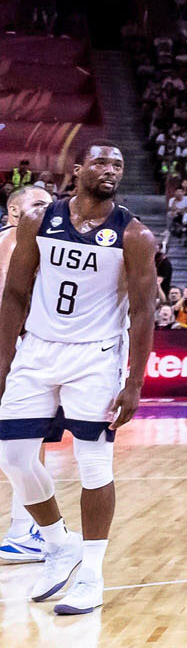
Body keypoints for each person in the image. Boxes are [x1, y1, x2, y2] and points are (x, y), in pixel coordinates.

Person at [0, 145, 160, 614]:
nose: (110, 171)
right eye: (101, 163)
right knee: (14, 458)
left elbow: (144, 308)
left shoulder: (134, 234)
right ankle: (57, 542)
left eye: (118, 166)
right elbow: (14, 294)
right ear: (77, 170)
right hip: (38, 351)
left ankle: (91, 572)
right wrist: (4, 361)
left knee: (94, 465)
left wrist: (134, 382)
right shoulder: (39, 221)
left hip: (96, 358)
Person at [0, 181, 51, 562]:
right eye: (38, 204)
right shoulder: (14, 242)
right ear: (15, 212)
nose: (48, 211)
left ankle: (25, 529)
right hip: (14, 351)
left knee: (26, 442)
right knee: (24, 443)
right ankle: (25, 529)